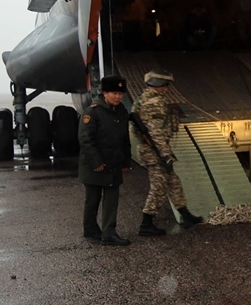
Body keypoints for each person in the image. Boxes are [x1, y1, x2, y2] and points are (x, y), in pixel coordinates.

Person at [133, 70, 204, 235]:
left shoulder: (144, 99)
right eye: (165, 85)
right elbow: (155, 133)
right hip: (155, 152)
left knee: (174, 183)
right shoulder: (153, 102)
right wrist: (165, 155)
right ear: (157, 85)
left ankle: (186, 216)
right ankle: (146, 224)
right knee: (159, 187)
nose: (166, 89)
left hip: (156, 149)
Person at [79, 75, 132, 246]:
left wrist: (126, 160)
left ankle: (108, 233)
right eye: (114, 93)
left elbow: (125, 139)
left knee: (111, 200)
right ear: (104, 93)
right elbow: (86, 140)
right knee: (93, 200)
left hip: (113, 163)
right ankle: (90, 229)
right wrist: (96, 162)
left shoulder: (122, 112)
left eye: (120, 93)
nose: (118, 97)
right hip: (95, 166)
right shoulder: (92, 112)